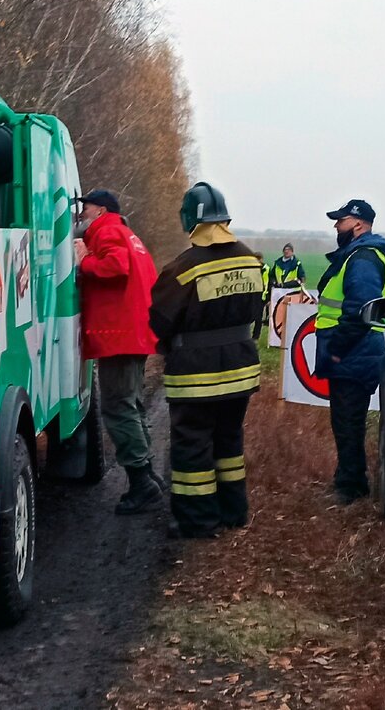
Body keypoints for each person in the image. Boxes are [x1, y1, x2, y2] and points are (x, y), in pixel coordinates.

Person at [149, 182, 264, 539]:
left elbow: (160, 321)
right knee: (229, 441)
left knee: (192, 447)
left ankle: (197, 522)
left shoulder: (182, 269)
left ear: (191, 221)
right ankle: (234, 511)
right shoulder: (251, 258)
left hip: (195, 375)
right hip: (241, 370)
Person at [72, 189, 163, 515]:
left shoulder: (107, 230)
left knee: (118, 407)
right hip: (134, 333)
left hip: (120, 335)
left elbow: (115, 266)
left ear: (101, 210)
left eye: (87, 208)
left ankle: (142, 484)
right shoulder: (128, 233)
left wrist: (84, 261)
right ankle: (148, 473)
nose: (82, 214)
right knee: (133, 404)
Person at [314, 199, 385, 504]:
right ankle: (349, 480)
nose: (336, 226)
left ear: (358, 224)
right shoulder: (360, 255)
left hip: (353, 353)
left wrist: (336, 349)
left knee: (348, 422)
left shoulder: (362, 258)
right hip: (355, 352)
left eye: (341, 221)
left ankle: (350, 488)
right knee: (347, 421)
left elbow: (360, 309)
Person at [253, 252, 271, 340]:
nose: (257, 261)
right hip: (253, 296)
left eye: (258, 259)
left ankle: (256, 336)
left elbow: (270, 283)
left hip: (263, 296)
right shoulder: (252, 269)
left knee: (258, 318)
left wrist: (269, 298)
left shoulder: (266, 269)